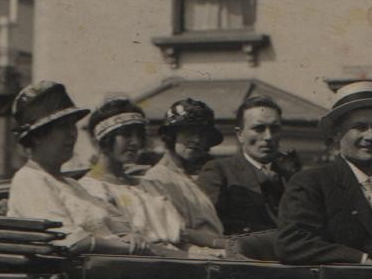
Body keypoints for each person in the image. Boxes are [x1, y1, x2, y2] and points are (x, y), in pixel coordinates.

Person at [277, 82, 372, 266]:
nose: (371, 136)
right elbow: (292, 244)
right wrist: (359, 259)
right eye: (360, 127)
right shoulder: (312, 183)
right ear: (337, 134)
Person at [5, 81, 159, 255]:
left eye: (73, 126)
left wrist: (130, 236)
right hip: (70, 277)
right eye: (63, 126)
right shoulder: (30, 180)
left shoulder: (71, 184)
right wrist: (127, 248)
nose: (72, 133)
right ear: (38, 136)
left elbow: (120, 222)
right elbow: (69, 241)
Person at [78, 99, 192, 256]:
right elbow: (125, 245)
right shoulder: (91, 190)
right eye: (125, 135)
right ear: (104, 137)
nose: (136, 142)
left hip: (176, 258)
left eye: (139, 136)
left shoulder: (149, 186)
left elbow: (181, 236)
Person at [197, 95, 288, 246]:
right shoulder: (219, 171)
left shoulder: (291, 176)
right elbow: (206, 227)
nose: (268, 137)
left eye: (275, 128)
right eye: (259, 128)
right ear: (240, 134)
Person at [143, 98, 230, 252]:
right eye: (189, 131)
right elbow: (171, 235)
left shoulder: (188, 179)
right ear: (171, 135)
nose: (196, 140)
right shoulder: (157, 179)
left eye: (202, 134)